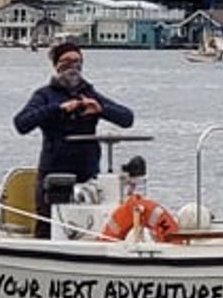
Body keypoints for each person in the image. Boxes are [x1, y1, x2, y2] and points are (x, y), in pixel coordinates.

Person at [13, 41, 134, 236]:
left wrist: (101, 109)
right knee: (48, 227)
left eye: (78, 62)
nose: (73, 67)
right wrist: (58, 109)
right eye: (67, 62)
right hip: (54, 176)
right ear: (57, 66)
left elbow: (127, 118)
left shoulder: (90, 93)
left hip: (87, 175)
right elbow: (21, 123)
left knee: (89, 226)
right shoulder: (45, 95)